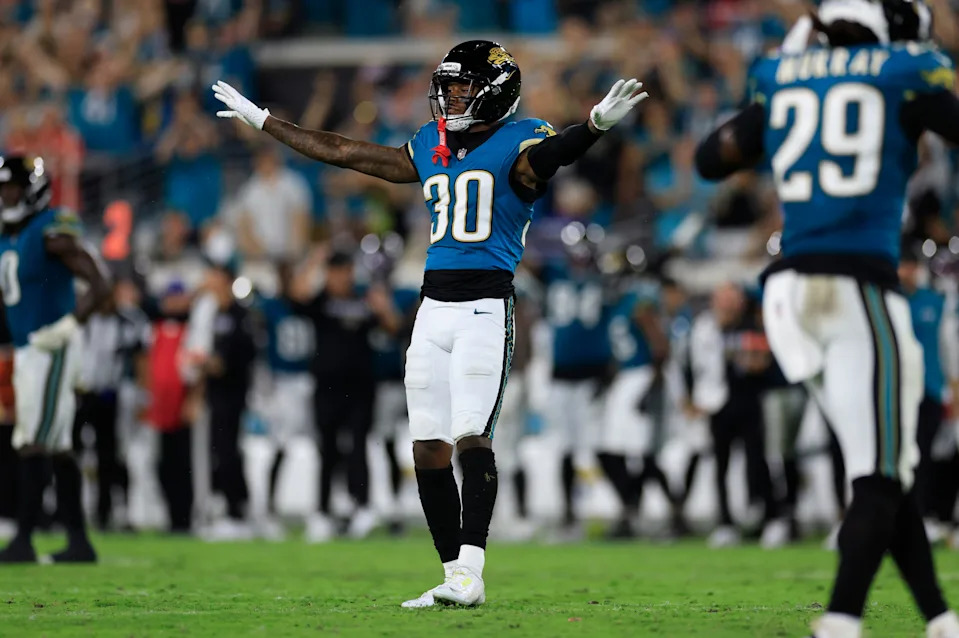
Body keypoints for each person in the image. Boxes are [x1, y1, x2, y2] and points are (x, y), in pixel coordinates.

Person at [213, 39, 647, 606]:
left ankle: (472, 569)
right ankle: (452, 575)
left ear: (496, 91)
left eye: (463, 87)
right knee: (426, 449)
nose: (451, 96)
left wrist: (592, 125)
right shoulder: (429, 144)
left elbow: (550, 158)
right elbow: (345, 152)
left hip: (485, 309)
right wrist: (266, 121)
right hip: (431, 310)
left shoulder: (523, 138)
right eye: (448, 87)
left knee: (473, 437)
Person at [694, 0, 959, 634]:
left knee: (882, 468)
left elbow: (711, 159)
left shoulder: (784, 74)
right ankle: (839, 621)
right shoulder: (904, 69)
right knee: (880, 472)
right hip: (855, 286)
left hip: (786, 295)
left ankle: (941, 620)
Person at [0, 155, 110, 563]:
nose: (6, 196)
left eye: (12, 188)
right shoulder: (8, 237)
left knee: (33, 440)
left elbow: (100, 283)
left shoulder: (49, 230)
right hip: (28, 348)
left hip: (50, 346)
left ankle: (24, 539)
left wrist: (68, 325)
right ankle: (79, 542)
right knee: (59, 445)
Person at [297, 251, 399, 543]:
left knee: (358, 447)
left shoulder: (364, 299)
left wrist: (383, 309)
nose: (341, 277)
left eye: (345, 270)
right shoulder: (320, 300)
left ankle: (362, 507)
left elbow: (393, 328)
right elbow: (296, 294)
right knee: (327, 450)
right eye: (336, 271)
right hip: (326, 387)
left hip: (360, 387)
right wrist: (314, 260)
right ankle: (322, 511)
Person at [899, 245, 959, 541]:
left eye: (910, 265)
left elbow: (947, 350)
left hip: (932, 391)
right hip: (899, 391)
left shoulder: (935, 303)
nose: (906, 271)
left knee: (933, 458)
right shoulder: (890, 301)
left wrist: (952, 391)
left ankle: (930, 516)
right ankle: (911, 518)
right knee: (905, 458)